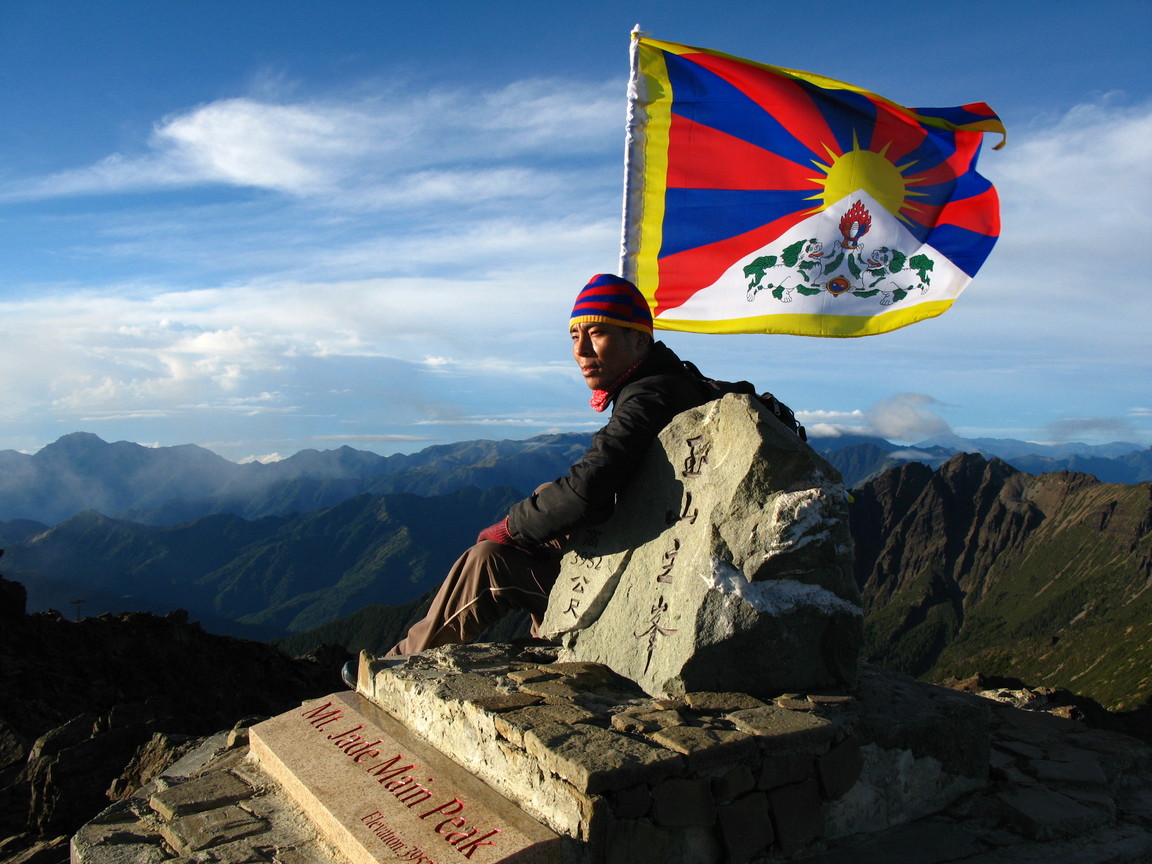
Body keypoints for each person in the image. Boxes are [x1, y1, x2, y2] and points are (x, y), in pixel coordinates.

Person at [383, 273, 714, 659]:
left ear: (640, 338)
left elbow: (585, 492)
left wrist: (510, 527)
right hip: (646, 563)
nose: (582, 351)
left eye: (598, 333)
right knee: (525, 519)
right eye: (575, 336)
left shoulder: (649, 397)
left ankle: (396, 665)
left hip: (640, 589)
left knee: (488, 562)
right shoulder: (670, 383)